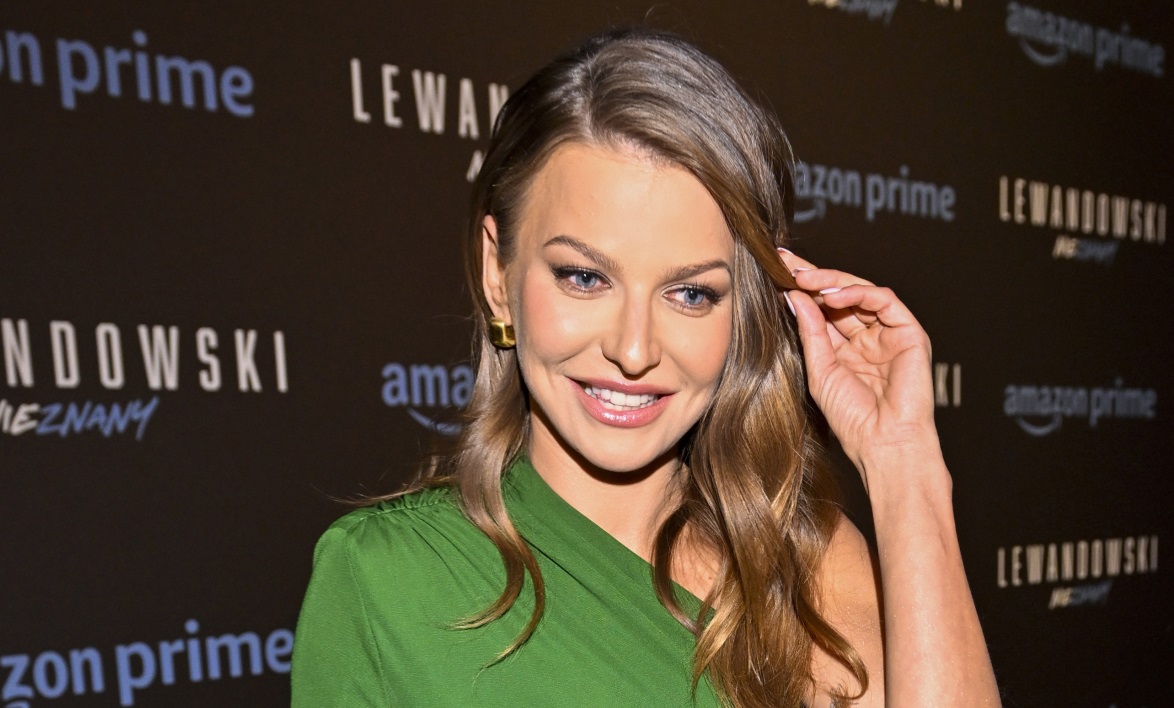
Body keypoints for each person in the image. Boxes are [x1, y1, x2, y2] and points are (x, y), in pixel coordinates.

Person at [291, 28, 1000, 707]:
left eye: (690, 293)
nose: (634, 351)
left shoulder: (807, 563)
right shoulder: (383, 578)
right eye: (583, 277)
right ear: (497, 274)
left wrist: (902, 459)